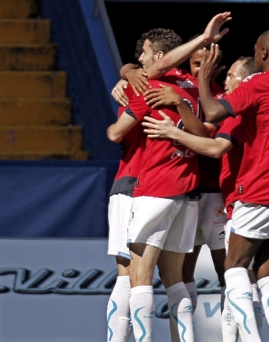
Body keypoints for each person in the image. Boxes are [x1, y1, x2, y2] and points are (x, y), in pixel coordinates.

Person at [147, 28, 269, 342]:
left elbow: (214, 137)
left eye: (234, 75)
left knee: (235, 267)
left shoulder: (254, 90)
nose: (227, 82)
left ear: (262, 53)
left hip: (261, 189)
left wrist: (173, 130)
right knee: (266, 272)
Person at [106, 13, 232, 342]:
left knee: (131, 275)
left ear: (160, 57)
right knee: (177, 276)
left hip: (141, 184)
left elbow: (115, 134)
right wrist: (128, 72)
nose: (138, 60)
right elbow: (207, 131)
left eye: (144, 55)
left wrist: (131, 78)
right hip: (189, 189)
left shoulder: (150, 84)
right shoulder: (193, 92)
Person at [143, 40, 228, 316]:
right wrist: (128, 71)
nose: (201, 68)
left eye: (207, 63)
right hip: (188, 191)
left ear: (217, 66)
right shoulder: (175, 83)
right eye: (196, 63)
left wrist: (181, 105)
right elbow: (148, 70)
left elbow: (204, 135)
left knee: (228, 270)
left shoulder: (221, 96)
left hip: (215, 190)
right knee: (182, 272)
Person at [105, 39, 145, 342]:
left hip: (157, 189)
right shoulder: (137, 84)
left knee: (139, 278)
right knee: (131, 275)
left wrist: (128, 72)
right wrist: (128, 72)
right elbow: (115, 135)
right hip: (134, 184)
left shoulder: (175, 87)